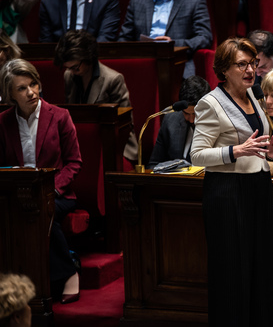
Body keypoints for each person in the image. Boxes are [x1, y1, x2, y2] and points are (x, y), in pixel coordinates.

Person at [190, 38, 273, 326]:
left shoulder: (254, 97)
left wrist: (266, 151)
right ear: (224, 69)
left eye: (253, 63)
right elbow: (196, 155)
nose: (250, 70)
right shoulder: (210, 103)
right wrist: (235, 151)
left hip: (258, 189)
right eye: (242, 64)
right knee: (232, 273)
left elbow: (251, 141)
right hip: (227, 195)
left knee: (262, 268)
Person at [0, 59, 82, 304]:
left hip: (58, 195)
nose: (31, 92)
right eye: (22, 88)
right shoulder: (3, 122)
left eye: (33, 84)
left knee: (43, 212)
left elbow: (74, 163)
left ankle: (68, 273)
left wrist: (53, 189)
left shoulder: (59, 116)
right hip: (18, 194)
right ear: (10, 95)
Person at [118, 0, 212, 78]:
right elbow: (124, 39)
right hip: (142, 62)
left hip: (176, 63)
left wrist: (172, 43)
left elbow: (204, 38)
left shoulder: (195, 0)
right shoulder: (137, 0)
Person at [54, 29, 139, 161]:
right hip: (81, 142)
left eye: (75, 67)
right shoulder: (69, 76)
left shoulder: (113, 79)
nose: (71, 72)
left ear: (88, 57)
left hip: (113, 145)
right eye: (68, 68)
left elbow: (125, 125)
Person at [147, 75, 210, 168]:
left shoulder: (219, 124)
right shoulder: (170, 121)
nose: (191, 120)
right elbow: (153, 164)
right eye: (186, 114)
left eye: (196, 114)